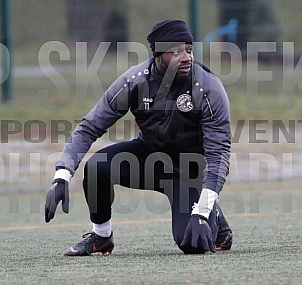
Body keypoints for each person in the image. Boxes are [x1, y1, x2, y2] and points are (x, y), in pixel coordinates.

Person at [45, 19, 233, 256]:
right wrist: (61, 175)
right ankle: (101, 235)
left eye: (188, 49)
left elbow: (219, 154)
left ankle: (215, 220)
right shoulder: (136, 81)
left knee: (192, 245)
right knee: (96, 169)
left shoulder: (208, 87)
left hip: (190, 171)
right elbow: (89, 127)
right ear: (158, 56)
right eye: (176, 51)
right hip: (149, 160)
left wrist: (202, 210)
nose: (186, 57)